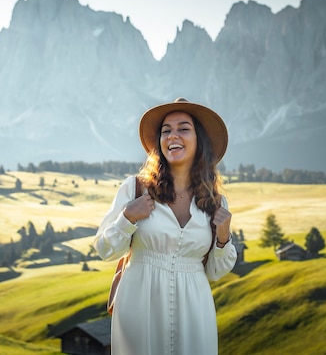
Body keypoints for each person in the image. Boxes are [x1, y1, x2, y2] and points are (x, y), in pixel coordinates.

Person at [94, 97, 237, 355]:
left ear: (199, 140)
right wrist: (127, 217)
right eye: (166, 130)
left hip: (195, 308)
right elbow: (105, 249)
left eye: (183, 128)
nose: (173, 136)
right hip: (139, 305)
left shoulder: (216, 201)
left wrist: (223, 238)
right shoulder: (135, 189)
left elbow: (216, 272)